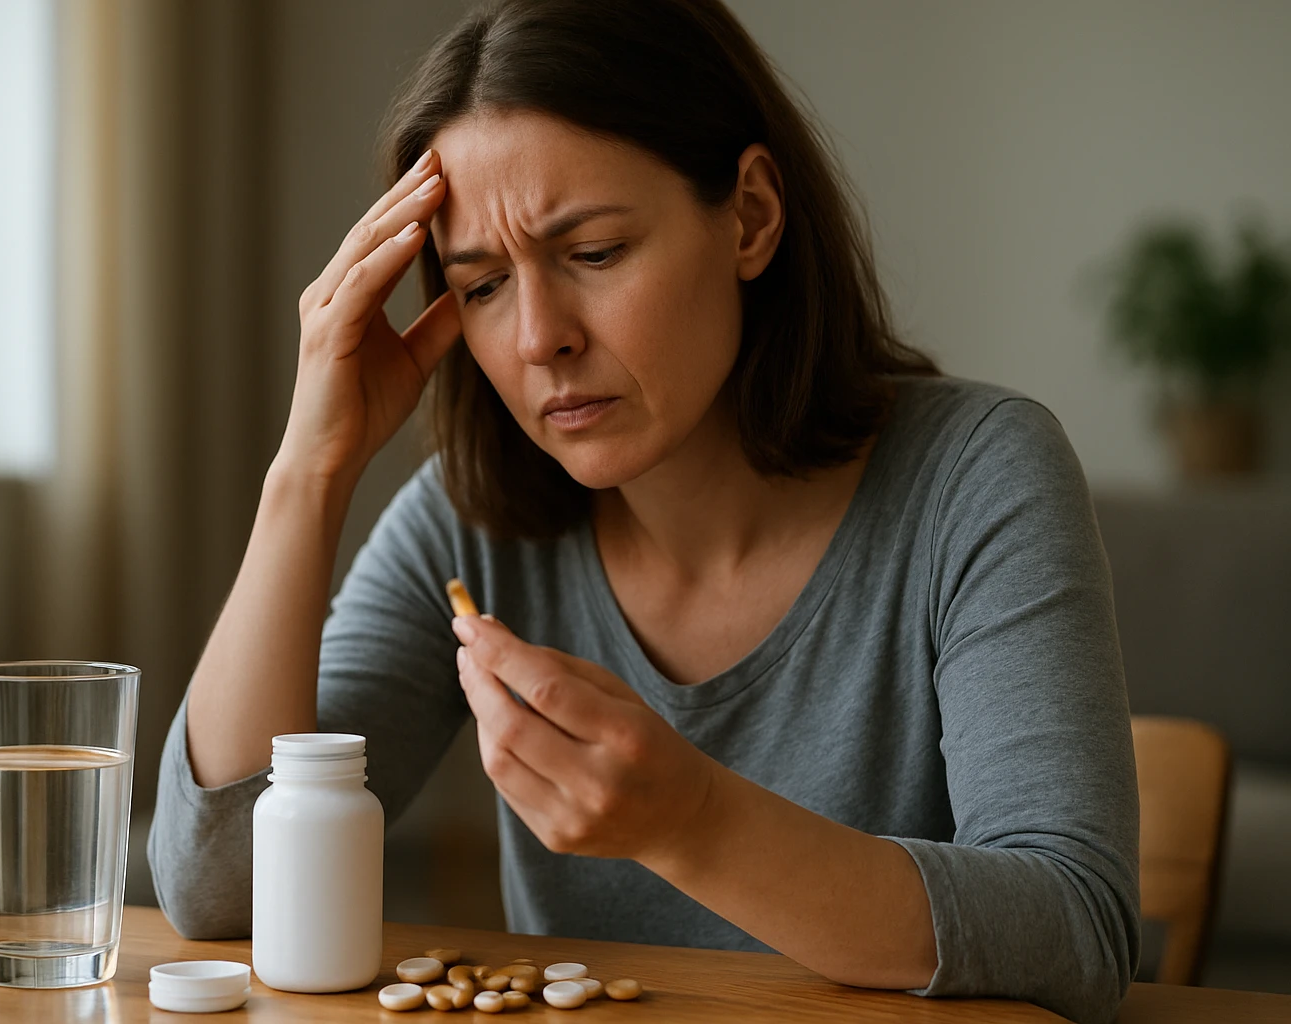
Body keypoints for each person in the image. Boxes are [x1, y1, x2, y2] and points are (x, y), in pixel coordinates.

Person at [148, 2, 1140, 1021]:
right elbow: (217, 889)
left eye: (595, 253)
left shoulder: (977, 474)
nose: (538, 339)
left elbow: (1075, 927)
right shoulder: (468, 521)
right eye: (482, 284)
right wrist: (307, 472)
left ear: (749, 215)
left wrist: (695, 822)